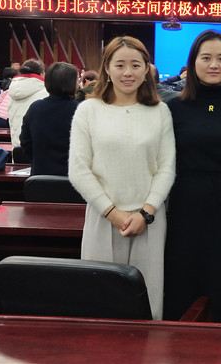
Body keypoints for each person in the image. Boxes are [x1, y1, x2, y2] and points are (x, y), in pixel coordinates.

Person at [164, 31, 221, 360]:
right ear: (193, 63)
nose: (213, 64)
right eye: (206, 58)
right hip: (184, 208)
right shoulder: (174, 107)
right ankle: (180, 352)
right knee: (182, 283)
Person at [69, 36, 175, 320]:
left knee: (148, 300)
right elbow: (78, 169)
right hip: (103, 217)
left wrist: (146, 212)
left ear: (146, 69)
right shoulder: (88, 110)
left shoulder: (160, 111)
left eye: (135, 65)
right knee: (101, 299)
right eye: (120, 65)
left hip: (149, 220)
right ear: (107, 68)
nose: (128, 72)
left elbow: (166, 168)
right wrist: (112, 212)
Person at [20, 62, 79, 176]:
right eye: (77, 80)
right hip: (74, 178)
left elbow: (25, 143)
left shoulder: (35, 108)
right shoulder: (81, 110)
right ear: (71, 83)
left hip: (40, 176)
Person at [8, 60, 48, 147]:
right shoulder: (46, 93)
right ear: (42, 73)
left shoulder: (12, 91)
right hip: (37, 147)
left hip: (16, 145)